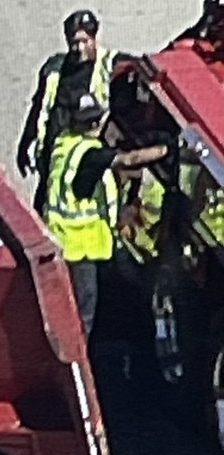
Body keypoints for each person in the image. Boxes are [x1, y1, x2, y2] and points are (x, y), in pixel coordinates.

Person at [44, 95, 169, 338]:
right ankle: (77, 365)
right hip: (80, 247)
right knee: (83, 316)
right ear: (96, 124)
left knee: (65, 308)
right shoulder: (91, 155)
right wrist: (167, 149)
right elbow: (128, 160)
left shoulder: (64, 143)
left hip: (60, 240)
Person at [17, 9, 127, 211]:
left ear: (95, 38)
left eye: (84, 41)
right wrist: (26, 142)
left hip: (86, 164)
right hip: (53, 159)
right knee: (44, 208)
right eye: (74, 42)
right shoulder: (54, 68)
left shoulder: (111, 65)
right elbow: (39, 107)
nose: (79, 48)